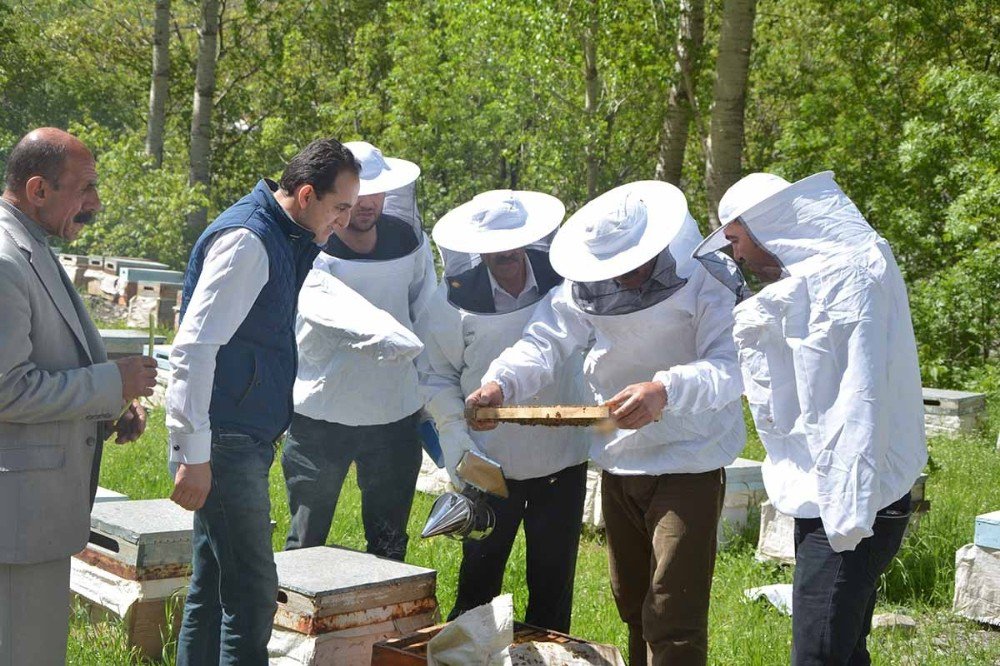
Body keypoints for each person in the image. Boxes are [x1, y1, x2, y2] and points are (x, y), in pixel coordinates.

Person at [467, 181, 745, 665]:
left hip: (690, 457)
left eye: (634, 263)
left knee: (672, 608)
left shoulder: (707, 279)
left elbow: (732, 365)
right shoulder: (584, 287)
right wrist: (501, 384)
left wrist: (666, 390)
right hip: (619, 460)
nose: (627, 277)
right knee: (634, 601)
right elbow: (544, 341)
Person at [692, 171, 927, 665]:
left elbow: (854, 403)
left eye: (735, 239)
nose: (736, 256)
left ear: (768, 224)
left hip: (852, 499)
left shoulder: (846, 280)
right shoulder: (839, 274)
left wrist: (847, 513)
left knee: (818, 655)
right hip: (846, 494)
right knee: (843, 648)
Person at [167, 138, 360, 665]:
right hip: (223, 443)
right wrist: (193, 455)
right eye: (340, 207)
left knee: (212, 591)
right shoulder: (249, 240)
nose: (345, 220)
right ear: (304, 194)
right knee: (253, 594)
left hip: (235, 437)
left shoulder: (283, 236)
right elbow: (194, 346)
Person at [0, 128, 155, 666]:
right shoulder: (5, 260)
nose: (95, 203)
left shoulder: (32, 246)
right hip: (16, 522)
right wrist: (113, 384)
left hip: (32, 517)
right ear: (38, 189)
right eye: (84, 188)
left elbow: (46, 366)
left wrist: (109, 406)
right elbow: (7, 390)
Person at [416, 190, 590, 632]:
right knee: (478, 582)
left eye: (512, 247)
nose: (504, 257)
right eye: (492, 250)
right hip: (488, 465)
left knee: (552, 584)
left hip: (562, 459)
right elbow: (436, 375)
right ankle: (468, 657)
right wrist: (455, 436)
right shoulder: (450, 300)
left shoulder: (567, 285)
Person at [284, 141, 436, 561]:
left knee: (389, 548)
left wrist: (432, 390)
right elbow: (321, 303)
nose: (367, 203)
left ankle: (383, 627)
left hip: (394, 415)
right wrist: (387, 336)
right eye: (357, 194)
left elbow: (427, 312)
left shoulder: (409, 240)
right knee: (305, 543)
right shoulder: (310, 243)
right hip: (320, 415)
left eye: (377, 191)